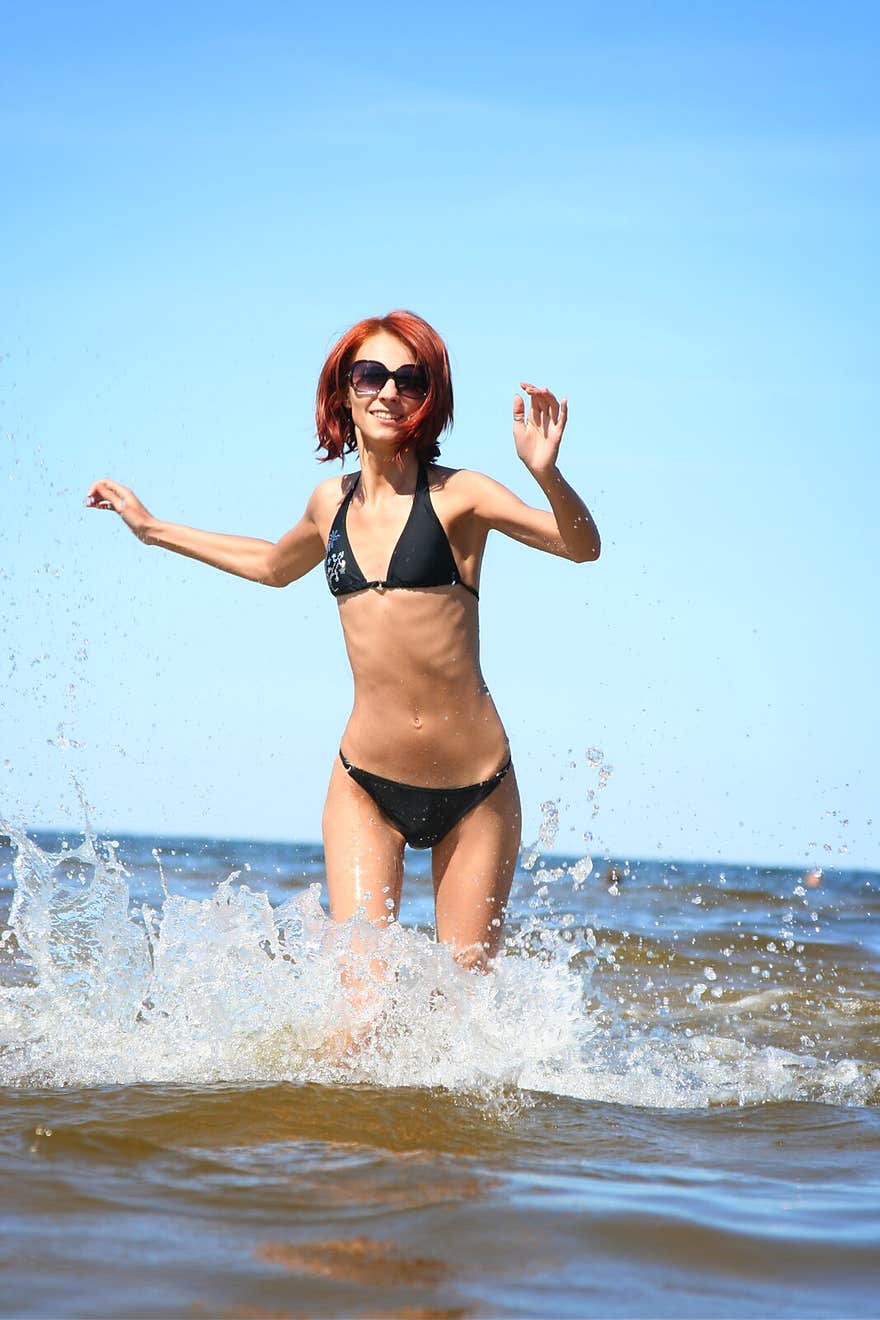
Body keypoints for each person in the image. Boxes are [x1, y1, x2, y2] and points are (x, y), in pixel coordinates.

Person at [87, 310, 600, 976]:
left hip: (476, 790)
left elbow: (580, 547)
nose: (389, 392)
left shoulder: (461, 497)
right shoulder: (329, 503)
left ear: (429, 397)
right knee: (356, 1013)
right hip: (365, 782)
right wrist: (153, 529)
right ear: (344, 392)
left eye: (409, 380)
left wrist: (545, 474)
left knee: (466, 1015)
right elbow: (273, 564)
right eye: (372, 375)